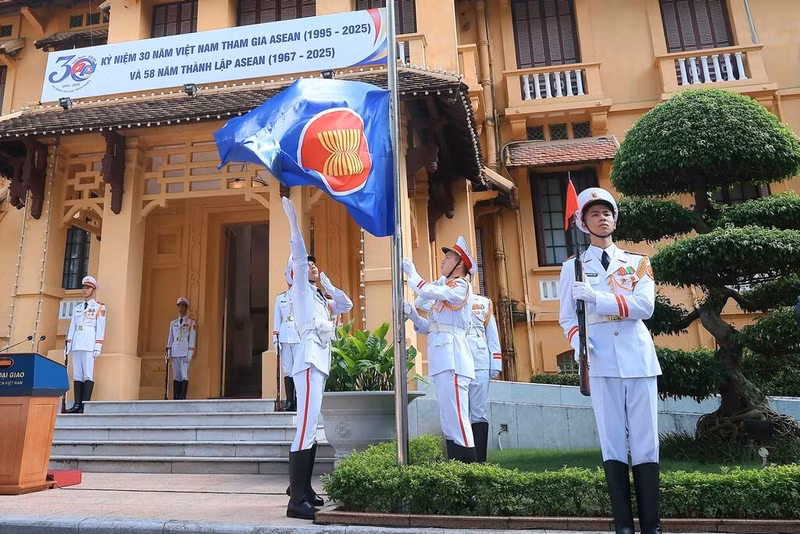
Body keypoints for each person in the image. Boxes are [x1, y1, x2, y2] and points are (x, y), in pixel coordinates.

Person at [558, 187, 661, 534]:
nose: (603, 219)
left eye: (608, 213)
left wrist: (598, 298)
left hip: (638, 357)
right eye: (594, 214)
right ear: (583, 223)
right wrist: (578, 345)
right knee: (612, 441)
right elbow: (567, 318)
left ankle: (652, 526)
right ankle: (623, 527)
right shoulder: (572, 266)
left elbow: (645, 307)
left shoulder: (637, 262)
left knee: (646, 441)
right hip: (599, 358)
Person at [282, 196, 352, 520]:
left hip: (317, 363)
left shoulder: (318, 296)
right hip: (309, 362)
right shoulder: (299, 291)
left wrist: (329, 285)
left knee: (310, 427)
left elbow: (347, 305)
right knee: (305, 429)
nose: (311, 265)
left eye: (313, 263)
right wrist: (295, 226)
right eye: (307, 265)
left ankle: (305, 490)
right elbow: (297, 254)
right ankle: (296, 500)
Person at [402, 236, 477, 463]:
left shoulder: (460, 287)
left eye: (448, 258)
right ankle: (457, 475)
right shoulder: (446, 288)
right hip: (442, 359)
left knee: (459, 421)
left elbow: (426, 291)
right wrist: (413, 315)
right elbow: (431, 327)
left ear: (459, 265)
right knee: (449, 421)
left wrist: (412, 274)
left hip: (453, 360)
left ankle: (470, 479)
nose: (442, 261)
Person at [465, 292, 502, 463]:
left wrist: (495, 363)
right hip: (458, 360)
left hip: (480, 360)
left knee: (478, 412)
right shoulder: (447, 299)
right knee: (460, 412)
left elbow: (492, 334)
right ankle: (464, 457)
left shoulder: (483, 302)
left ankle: (480, 460)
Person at [65, 275, 106, 413]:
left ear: (93, 290)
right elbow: (73, 327)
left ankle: (85, 405)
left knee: (88, 374)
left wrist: (97, 347)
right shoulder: (78, 308)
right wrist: (68, 345)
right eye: (83, 287)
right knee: (77, 375)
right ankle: (77, 404)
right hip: (77, 343)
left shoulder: (99, 307)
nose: (84, 290)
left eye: (87, 287)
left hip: (89, 344)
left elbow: (100, 328)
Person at [273, 263, 302, 411]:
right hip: (284, 337)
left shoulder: (302, 298)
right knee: (288, 369)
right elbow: (276, 321)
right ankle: (290, 401)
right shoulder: (280, 298)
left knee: (299, 369)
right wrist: (275, 341)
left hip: (298, 336)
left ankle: (299, 400)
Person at [166, 297, 196, 400]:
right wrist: (168, 350)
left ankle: (182, 396)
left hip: (184, 351)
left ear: (186, 308)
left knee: (184, 374)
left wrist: (190, 353)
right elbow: (171, 338)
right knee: (176, 375)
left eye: (183, 306)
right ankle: (176, 396)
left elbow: (191, 338)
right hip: (175, 351)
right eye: (179, 306)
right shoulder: (173, 323)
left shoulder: (191, 322)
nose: (181, 309)